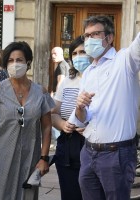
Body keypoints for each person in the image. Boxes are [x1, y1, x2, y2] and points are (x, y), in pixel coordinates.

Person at [0, 41, 55, 200]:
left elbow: (47, 127)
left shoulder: (40, 92)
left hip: (29, 157)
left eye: (19, 60)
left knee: (25, 195)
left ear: (28, 63)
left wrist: (44, 158)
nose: (15, 64)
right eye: (10, 60)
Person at [68, 15, 139, 200]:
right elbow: (82, 118)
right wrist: (80, 107)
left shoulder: (125, 60)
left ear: (109, 37)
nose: (89, 40)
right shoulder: (89, 72)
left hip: (117, 155)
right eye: (86, 36)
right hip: (89, 152)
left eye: (95, 34)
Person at [51, 36, 91, 200]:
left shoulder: (102, 79)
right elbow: (53, 113)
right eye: (74, 53)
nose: (78, 56)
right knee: (70, 194)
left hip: (92, 145)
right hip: (68, 145)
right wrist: (61, 124)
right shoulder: (68, 81)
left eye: (82, 52)